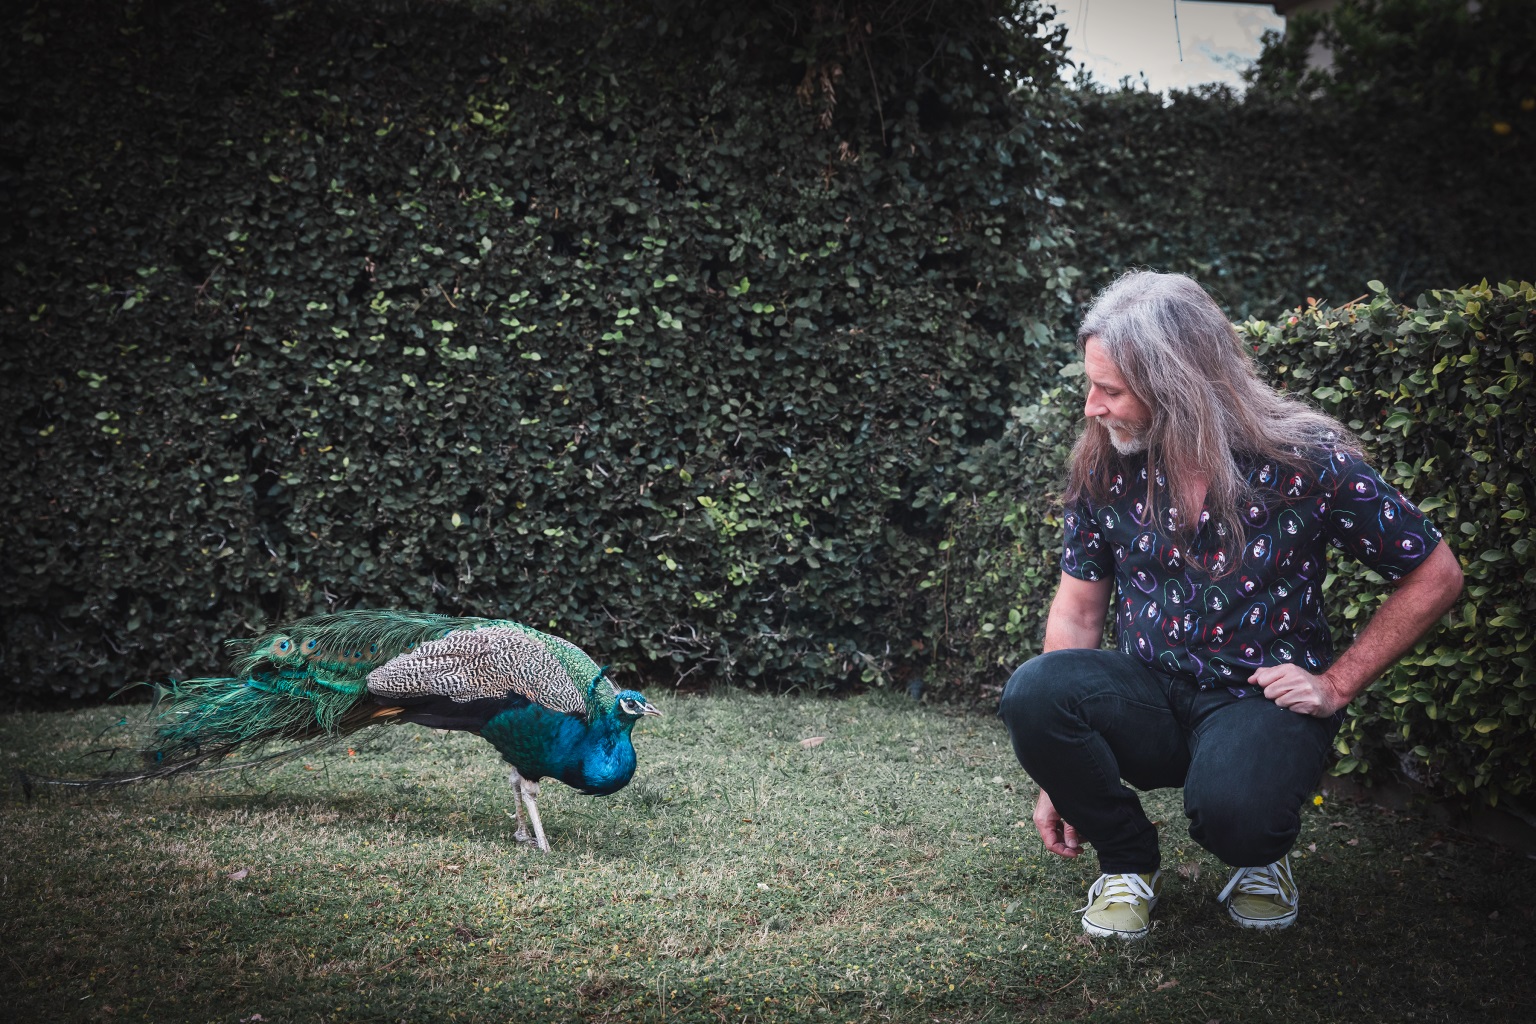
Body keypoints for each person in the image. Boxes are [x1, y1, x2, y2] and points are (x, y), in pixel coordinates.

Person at [998, 271, 1464, 939]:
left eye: (1110, 390)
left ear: (1176, 389)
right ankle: (1126, 862)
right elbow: (1077, 611)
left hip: (1259, 702)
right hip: (1150, 698)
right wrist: (1059, 776)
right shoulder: (1106, 466)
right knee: (1034, 693)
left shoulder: (1306, 461)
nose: (1091, 407)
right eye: (1090, 385)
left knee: (1238, 819)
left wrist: (1335, 684)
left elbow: (1435, 575)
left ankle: (1258, 860)